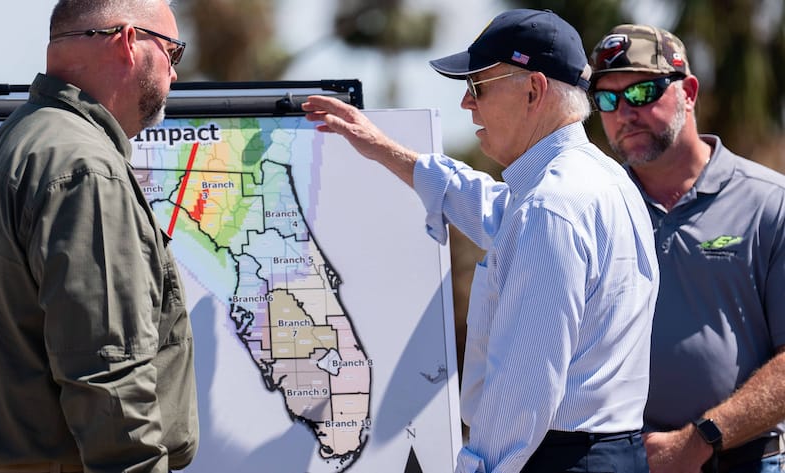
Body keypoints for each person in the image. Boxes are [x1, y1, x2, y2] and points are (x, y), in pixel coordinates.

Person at [303, 9, 659, 473]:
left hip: (555, 458)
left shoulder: (549, 206)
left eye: (478, 87)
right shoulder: (599, 181)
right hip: (607, 453)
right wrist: (385, 148)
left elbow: (524, 388)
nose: (466, 105)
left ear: (534, 90)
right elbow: (490, 208)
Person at [0, 1, 198, 472]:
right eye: (172, 53)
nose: (174, 75)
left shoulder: (17, 142)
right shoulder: (84, 168)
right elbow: (108, 370)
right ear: (128, 42)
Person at [589, 24, 785, 473]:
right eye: (606, 99)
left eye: (642, 92)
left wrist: (699, 440)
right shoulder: (593, 208)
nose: (623, 112)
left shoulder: (769, 203)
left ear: (689, 92)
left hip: (743, 462)